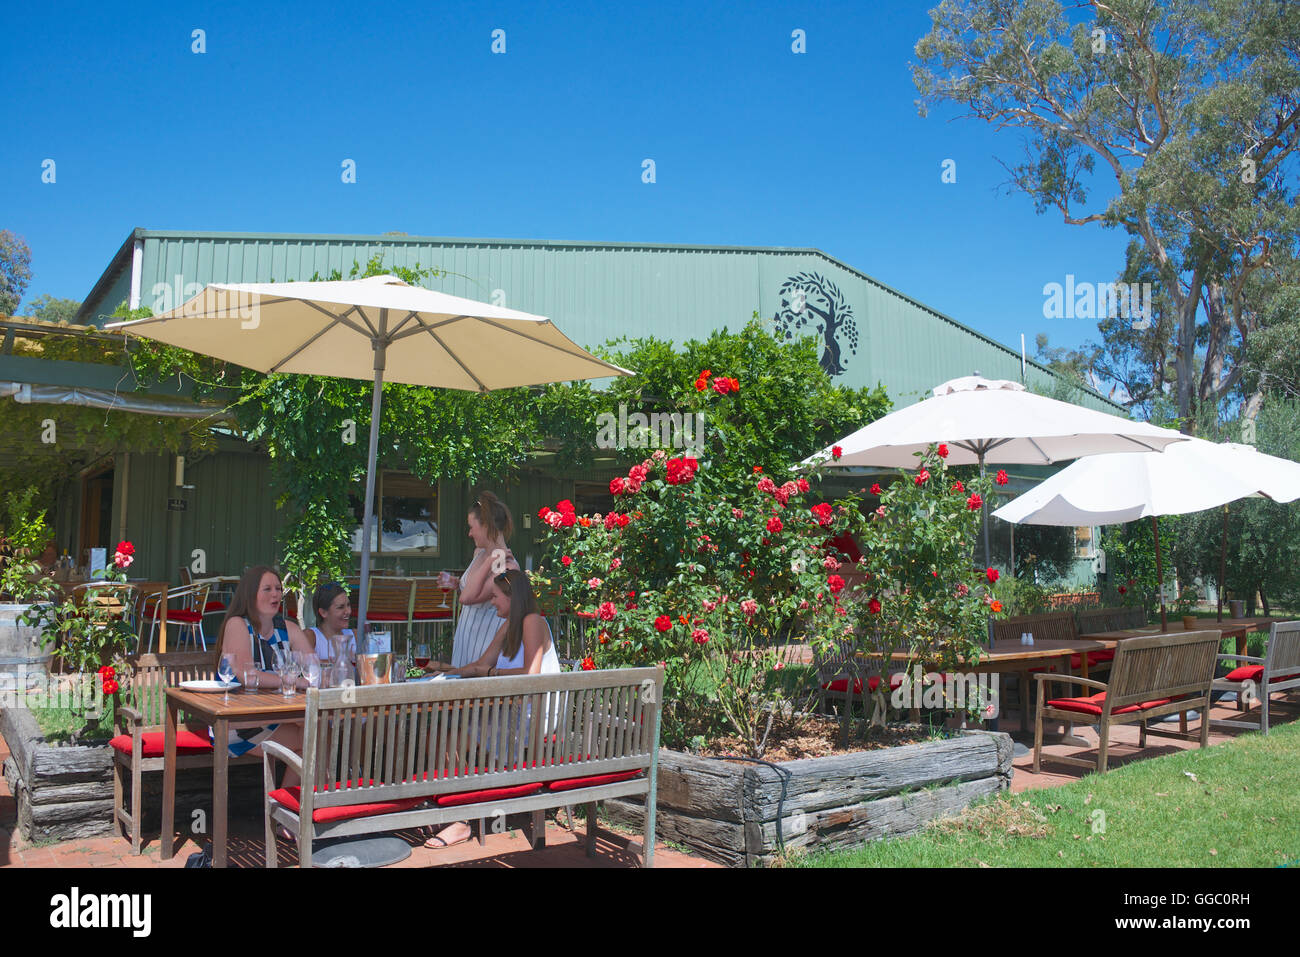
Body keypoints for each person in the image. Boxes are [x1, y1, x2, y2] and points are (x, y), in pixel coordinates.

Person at [421, 569, 559, 849]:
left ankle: (461, 822)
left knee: (448, 740)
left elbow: (530, 676)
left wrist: (492, 673)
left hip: (533, 713)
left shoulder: (533, 621)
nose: (492, 602)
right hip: (508, 708)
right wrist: (443, 672)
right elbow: (481, 666)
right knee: (436, 737)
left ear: (512, 598)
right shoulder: (511, 624)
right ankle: (450, 810)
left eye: (495, 596)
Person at [216, 565, 316, 786]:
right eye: (267, 589)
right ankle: (295, 812)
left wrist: (321, 674)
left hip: (275, 716)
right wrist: (295, 681)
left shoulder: (287, 628)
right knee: (315, 741)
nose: (276, 594)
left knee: (316, 735)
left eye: (279, 589)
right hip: (239, 722)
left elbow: (313, 667)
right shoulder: (238, 625)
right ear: (251, 595)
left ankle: (291, 812)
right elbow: (247, 676)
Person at [422, 491, 520, 672]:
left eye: (471, 527)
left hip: (485, 638)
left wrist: (490, 561)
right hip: (467, 632)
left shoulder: (504, 564)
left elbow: (467, 598)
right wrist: (457, 584)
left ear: (486, 527)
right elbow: (471, 591)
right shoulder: (479, 553)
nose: (469, 533)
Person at [306, 581, 357, 681]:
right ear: (323, 612)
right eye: (341, 607)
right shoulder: (311, 636)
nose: (348, 611)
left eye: (348, 605)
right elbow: (304, 665)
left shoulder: (355, 635)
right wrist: (343, 662)